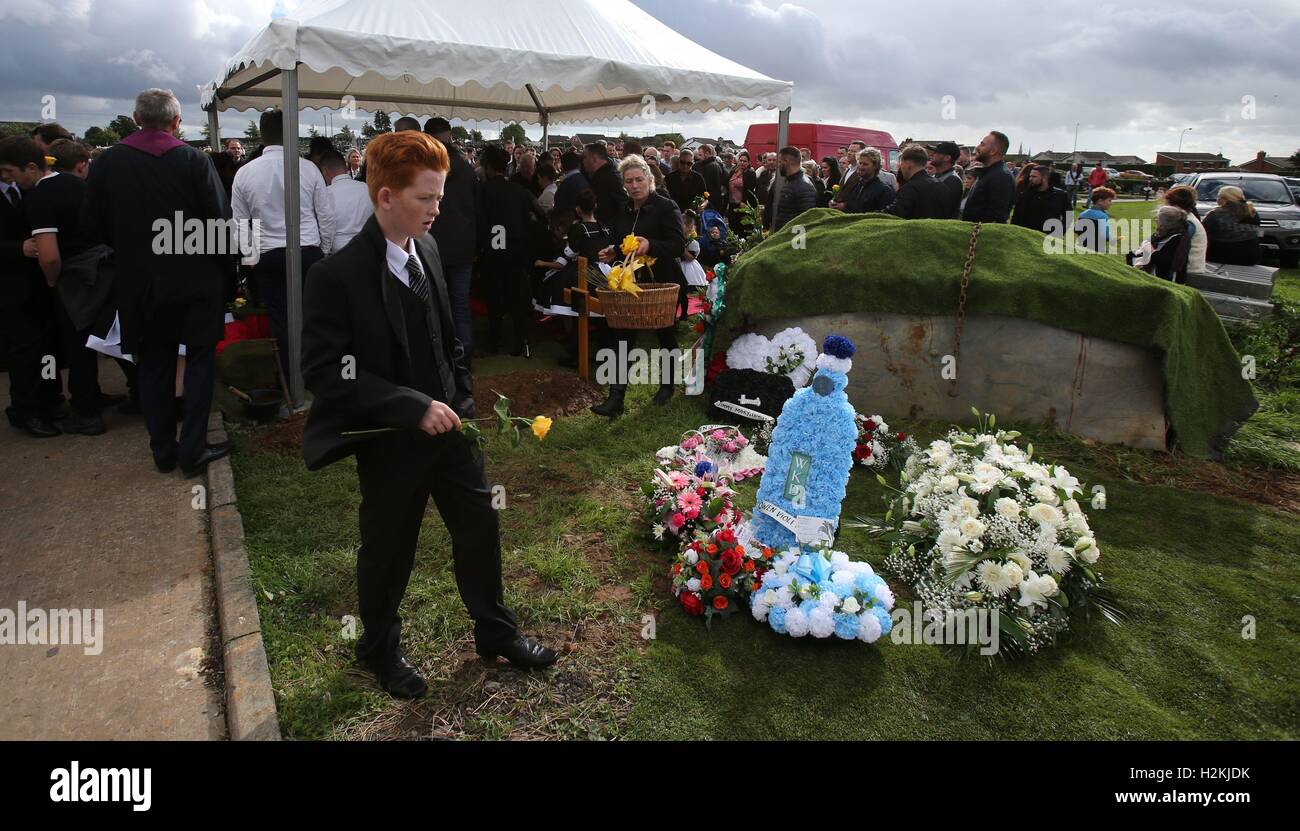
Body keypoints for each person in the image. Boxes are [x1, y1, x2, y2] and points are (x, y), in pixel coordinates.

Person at [300, 130, 556, 700]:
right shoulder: (334, 277)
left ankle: (495, 632)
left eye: (440, 197)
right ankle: (379, 650)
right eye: (425, 198)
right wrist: (410, 407)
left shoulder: (431, 249)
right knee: (390, 547)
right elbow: (324, 372)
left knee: (480, 528)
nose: (438, 210)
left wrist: (460, 399)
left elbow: (448, 339)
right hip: (390, 443)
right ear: (385, 196)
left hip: (454, 432)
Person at [80, 88, 235, 475]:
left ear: (136, 119)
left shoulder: (107, 163)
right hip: (196, 279)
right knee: (199, 362)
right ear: (177, 122)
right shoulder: (193, 160)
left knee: (153, 365)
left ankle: (163, 450)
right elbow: (219, 223)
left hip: (140, 281)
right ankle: (192, 449)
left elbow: (91, 227)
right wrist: (228, 278)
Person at [24, 138, 134, 435]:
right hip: (106, 269)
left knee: (79, 344)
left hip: (77, 277)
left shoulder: (42, 195)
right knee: (113, 336)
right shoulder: (82, 186)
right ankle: (139, 394)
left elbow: (48, 256)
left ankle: (86, 412)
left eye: (10, 171)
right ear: (81, 165)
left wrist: (51, 280)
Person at [232, 108, 335, 385]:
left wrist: (251, 258)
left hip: (269, 254)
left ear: (262, 135)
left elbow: (240, 223)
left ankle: (294, 378)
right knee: (313, 316)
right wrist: (323, 250)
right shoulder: (309, 168)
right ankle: (317, 374)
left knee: (282, 322)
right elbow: (324, 215)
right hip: (307, 251)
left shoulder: (245, 173)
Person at [589, 154, 687, 418]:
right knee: (622, 335)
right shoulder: (624, 209)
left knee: (665, 334)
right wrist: (614, 250)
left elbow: (679, 245)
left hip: (663, 282)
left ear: (649, 179)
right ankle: (616, 398)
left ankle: (667, 387)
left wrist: (650, 245)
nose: (634, 185)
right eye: (629, 181)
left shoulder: (666, 207)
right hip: (631, 283)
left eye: (638, 179)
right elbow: (624, 241)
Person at [0, 137, 64, 437]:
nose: (6, 177)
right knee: (24, 352)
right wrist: (17, 249)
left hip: (38, 284)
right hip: (12, 288)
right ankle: (26, 410)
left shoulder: (30, 191)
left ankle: (52, 400)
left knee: (47, 346)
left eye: (9, 171)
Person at [423, 118, 478, 366]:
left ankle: (441, 360)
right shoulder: (466, 168)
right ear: (449, 136)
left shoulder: (429, 169)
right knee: (459, 306)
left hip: (434, 246)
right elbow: (477, 208)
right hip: (463, 246)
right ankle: (463, 360)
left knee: (434, 307)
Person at [476, 144, 535, 356]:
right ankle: (520, 340)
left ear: (489, 167)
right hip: (517, 250)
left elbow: (480, 222)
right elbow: (533, 218)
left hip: (493, 250)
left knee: (495, 297)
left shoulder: (483, 190)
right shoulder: (519, 190)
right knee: (517, 296)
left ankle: (495, 342)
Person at [318, 148, 373, 251]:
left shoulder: (326, 193)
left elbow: (326, 224)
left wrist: (324, 250)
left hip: (338, 249)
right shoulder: (366, 188)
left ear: (325, 171)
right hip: (367, 245)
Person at [882, 144, 951, 219]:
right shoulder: (942, 186)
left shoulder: (909, 188)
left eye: (901, 163)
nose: (900, 167)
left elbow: (894, 215)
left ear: (908, 164)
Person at [961, 131, 1015, 223]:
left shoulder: (1001, 177)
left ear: (993, 151)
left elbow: (996, 217)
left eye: (982, 145)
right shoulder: (989, 172)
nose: (977, 147)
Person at [1202, 185, 1261, 266]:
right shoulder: (1253, 213)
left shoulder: (1215, 214)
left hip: (1221, 256)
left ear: (1223, 199)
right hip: (1250, 257)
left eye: (1218, 196)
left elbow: (1203, 234)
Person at [1128, 204, 1190, 282]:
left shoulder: (1178, 239)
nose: (1156, 221)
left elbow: (1168, 263)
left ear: (1165, 223)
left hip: (1165, 280)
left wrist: (1150, 251)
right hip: (1151, 274)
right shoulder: (1160, 234)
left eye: (1157, 219)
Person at [1011, 165, 1071, 235]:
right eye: (1030, 176)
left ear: (1045, 178)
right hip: (1027, 237)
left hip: (1049, 239)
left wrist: (1060, 231)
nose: (1030, 179)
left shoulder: (1060, 195)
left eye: (1034, 176)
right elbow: (1016, 217)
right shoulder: (1025, 195)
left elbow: (1069, 216)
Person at [833, 147, 894, 214]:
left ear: (875, 166)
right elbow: (852, 205)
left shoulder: (884, 190)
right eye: (860, 163)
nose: (861, 167)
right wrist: (840, 205)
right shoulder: (857, 185)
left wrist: (845, 207)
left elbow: (883, 216)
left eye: (865, 164)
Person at [772, 145, 817, 230]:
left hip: (793, 238)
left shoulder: (804, 186)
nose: (778, 165)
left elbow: (806, 219)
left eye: (780, 162)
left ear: (787, 161)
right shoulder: (791, 181)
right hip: (786, 236)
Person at [1163, 184, 1206, 273]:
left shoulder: (1187, 222)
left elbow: (1172, 248)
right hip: (1185, 267)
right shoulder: (1187, 218)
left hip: (1188, 270)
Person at [583, 142, 626, 229]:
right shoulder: (596, 176)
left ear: (594, 159)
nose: (583, 161)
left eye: (585, 158)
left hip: (609, 232)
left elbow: (623, 203)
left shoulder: (612, 177)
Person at [1073, 186, 1115, 253]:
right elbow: (1105, 235)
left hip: (1081, 247)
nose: (1111, 203)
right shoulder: (1103, 216)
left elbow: (1076, 229)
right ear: (1100, 201)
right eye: (1109, 200)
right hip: (1097, 248)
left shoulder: (1083, 214)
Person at [666, 148, 707, 214]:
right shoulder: (669, 177)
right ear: (679, 161)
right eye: (682, 162)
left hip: (692, 215)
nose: (685, 166)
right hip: (673, 214)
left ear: (693, 163)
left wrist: (703, 205)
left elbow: (706, 195)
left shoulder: (698, 178)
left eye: (689, 163)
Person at [928, 141, 963, 218]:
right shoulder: (938, 176)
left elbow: (942, 210)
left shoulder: (953, 181)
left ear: (947, 158)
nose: (931, 154)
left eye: (936, 152)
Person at [552, 149, 589, 217]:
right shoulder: (584, 180)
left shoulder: (565, 184)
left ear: (562, 166)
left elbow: (558, 208)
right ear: (579, 165)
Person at [728, 150, 759, 228]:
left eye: (744, 161)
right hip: (732, 203)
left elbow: (750, 190)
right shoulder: (733, 171)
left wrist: (744, 202)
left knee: (742, 226)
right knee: (732, 225)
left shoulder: (750, 173)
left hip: (743, 205)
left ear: (748, 162)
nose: (742, 163)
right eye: (740, 160)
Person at [695, 144, 727, 213]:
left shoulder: (710, 166)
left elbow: (708, 188)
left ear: (707, 154)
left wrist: (707, 200)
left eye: (700, 155)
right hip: (714, 202)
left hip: (710, 204)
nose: (698, 157)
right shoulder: (715, 164)